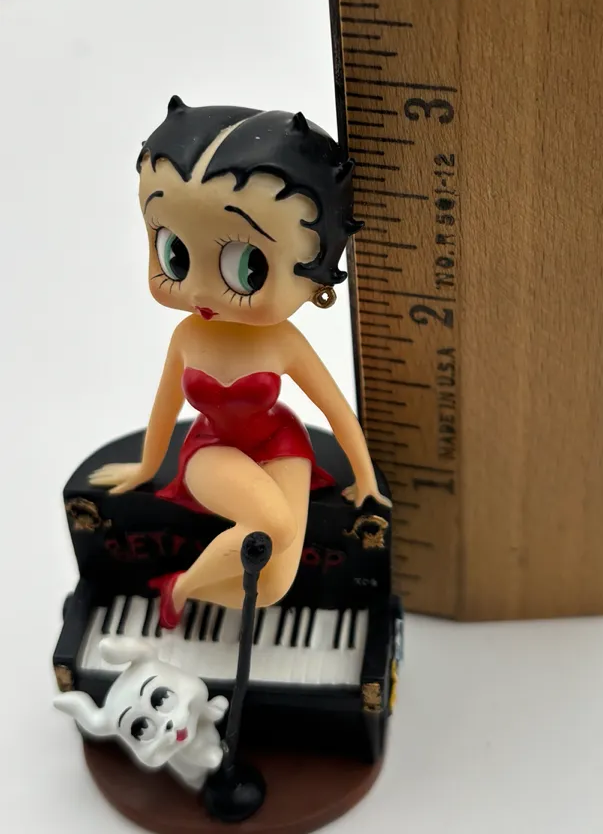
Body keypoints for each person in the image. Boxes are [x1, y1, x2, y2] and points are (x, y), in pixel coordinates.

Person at [89, 97, 390, 627]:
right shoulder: (187, 335)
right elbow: (165, 407)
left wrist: (365, 480)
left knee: (273, 586)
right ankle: (181, 589)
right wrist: (145, 467)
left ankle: (181, 586)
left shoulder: (284, 341)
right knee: (275, 524)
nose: (201, 291)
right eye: (175, 254)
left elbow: (337, 410)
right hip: (213, 448)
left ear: (315, 274)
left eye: (247, 266)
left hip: (281, 444)